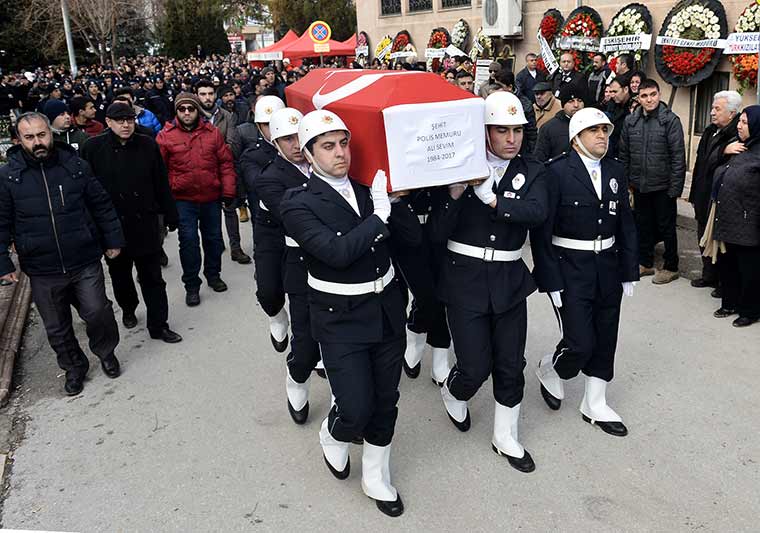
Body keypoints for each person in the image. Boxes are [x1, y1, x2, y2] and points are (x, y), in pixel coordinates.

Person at [281, 109, 420, 517]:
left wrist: (399, 201)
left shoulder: (367, 191)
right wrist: (379, 215)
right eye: (328, 146)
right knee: (356, 407)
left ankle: (376, 475)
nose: (340, 152)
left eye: (344, 143)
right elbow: (335, 253)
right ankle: (334, 430)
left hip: (386, 309)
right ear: (308, 154)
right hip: (340, 316)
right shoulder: (298, 203)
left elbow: (410, 242)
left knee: (386, 400)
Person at [429, 91, 548, 473]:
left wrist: (495, 201)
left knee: (511, 364)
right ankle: (454, 389)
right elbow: (435, 233)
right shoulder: (459, 169)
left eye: (518, 130)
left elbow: (537, 212)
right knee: (475, 365)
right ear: (483, 132)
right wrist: (456, 192)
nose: (511, 139)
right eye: (502, 131)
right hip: (464, 280)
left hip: (510, 279)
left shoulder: (532, 170)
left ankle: (505, 436)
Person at [0, 112, 125, 396]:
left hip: (83, 258)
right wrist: (3, 261)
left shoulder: (75, 166)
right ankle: (74, 368)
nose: (37, 142)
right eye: (29, 137)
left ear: (51, 134)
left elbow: (101, 204)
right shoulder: (8, 177)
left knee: (98, 312)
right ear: (18, 141)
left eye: (42, 134)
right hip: (42, 267)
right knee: (57, 327)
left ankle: (106, 352)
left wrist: (113, 239)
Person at [534, 107, 638, 437]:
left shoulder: (615, 171)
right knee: (580, 341)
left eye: (605, 131)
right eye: (594, 131)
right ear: (577, 138)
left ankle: (595, 401)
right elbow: (542, 231)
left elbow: (625, 223)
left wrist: (629, 270)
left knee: (606, 335)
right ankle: (551, 368)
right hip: (570, 267)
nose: (602, 137)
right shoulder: (556, 173)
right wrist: (549, 277)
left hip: (607, 264)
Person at [80, 103, 182, 344]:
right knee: (121, 275)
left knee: (153, 278)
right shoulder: (93, 148)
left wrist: (170, 214)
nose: (125, 125)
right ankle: (128, 308)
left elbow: (160, 182)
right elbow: (87, 191)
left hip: (145, 223)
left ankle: (159, 324)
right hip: (114, 227)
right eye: (119, 120)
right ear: (108, 122)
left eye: (129, 119)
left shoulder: (147, 144)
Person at [254, 108, 323, 423]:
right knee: (276, 300)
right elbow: (295, 217)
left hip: (332, 259)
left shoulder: (325, 162)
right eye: (287, 139)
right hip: (289, 251)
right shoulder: (270, 177)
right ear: (274, 142)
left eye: (300, 137)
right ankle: (297, 376)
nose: (296, 145)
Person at [156, 93, 236, 306]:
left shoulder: (212, 133)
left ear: (197, 110)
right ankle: (192, 285)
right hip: (183, 200)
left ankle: (213, 274)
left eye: (190, 109)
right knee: (189, 242)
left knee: (214, 239)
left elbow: (225, 163)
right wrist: (165, 203)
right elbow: (159, 171)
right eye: (182, 109)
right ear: (177, 112)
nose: (187, 113)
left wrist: (228, 191)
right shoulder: (165, 136)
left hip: (210, 196)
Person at [619, 79, 686, 284]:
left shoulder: (670, 120)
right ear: (638, 98)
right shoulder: (631, 121)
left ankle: (671, 266)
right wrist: (627, 182)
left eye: (653, 94)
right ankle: (645, 262)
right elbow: (624, 154)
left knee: (666, 228)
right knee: (642, 225)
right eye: (644, 96)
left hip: (663, 186)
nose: (649, 100)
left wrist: (675, 188)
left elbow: (678, 157)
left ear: (659, 95)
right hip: (639, 184)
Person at [708, 106, 760, 327]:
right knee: (727, 265)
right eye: (739, 121)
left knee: (748, 270)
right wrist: (724, 151)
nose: (739, 125)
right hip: (727, 218)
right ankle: (729, 302)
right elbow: (708, 166)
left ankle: (749, 310)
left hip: (749, 222)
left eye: (745, 122)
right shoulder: (739, 147)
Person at [689, 91, 740, 290]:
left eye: (717, 109)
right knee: (702, 235)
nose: (711, 113)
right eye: (712, 108)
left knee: (720, 240)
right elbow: (701, 163)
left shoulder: (736, 135)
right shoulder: (711, 131)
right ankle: (708, 275)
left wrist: (721, 151)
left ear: (732, 113)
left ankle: (722, 281)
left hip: (719, 196)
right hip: (702, 192)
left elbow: (718, 165)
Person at [195, 79, 249, 265]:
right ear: (197, 96)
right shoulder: (192, 116)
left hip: (226, 170)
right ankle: (216, 245)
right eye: (203, 94)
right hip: (202, 174)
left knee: (230, 209)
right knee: (209, 214)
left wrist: (207, 152)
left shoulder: (227, 116)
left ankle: (236, 248)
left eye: (210, 93)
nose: (207, 98)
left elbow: (233, 146)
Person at [534, 82, 585, 162]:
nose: (576, 105)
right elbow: (539, 159)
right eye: (571, 101)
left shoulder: (591, 125)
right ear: (563, 105)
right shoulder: (548, 128)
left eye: (579, 100)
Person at [494, 70, 538, 154]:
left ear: (510, 87)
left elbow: (531, 132)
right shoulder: (494, 99)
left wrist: (530, 154)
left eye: (499, 86)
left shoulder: (525, 105)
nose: (497, 89)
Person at [606, 78, 632, 158]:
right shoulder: (612, 104)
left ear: (626, 89)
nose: (612, 95)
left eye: (615, 92)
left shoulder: (635, 107)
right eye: (610, 92)